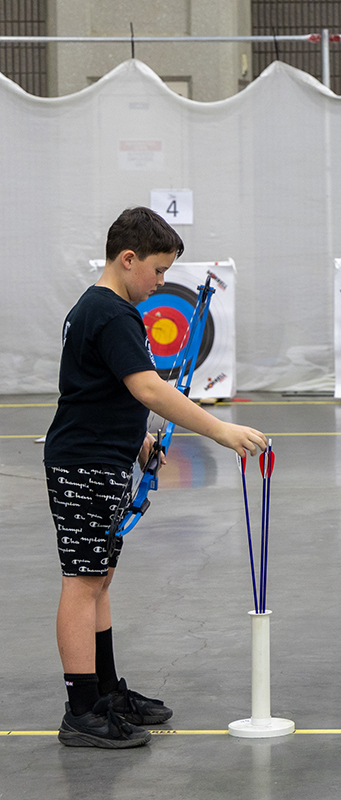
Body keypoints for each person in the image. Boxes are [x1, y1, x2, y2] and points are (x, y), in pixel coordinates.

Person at [45, 207, 268, 748]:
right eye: (158, 270)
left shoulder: (104, 308)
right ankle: (81, 710)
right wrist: (218, 429)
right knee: (82, 582)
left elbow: (99, 389)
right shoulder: (112, 314)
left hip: (103, 457)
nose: (162, 282)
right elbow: (147, 388)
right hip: (84, 464)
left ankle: (103, 692)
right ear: (127, 260)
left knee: (100, 580)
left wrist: (138, 442)